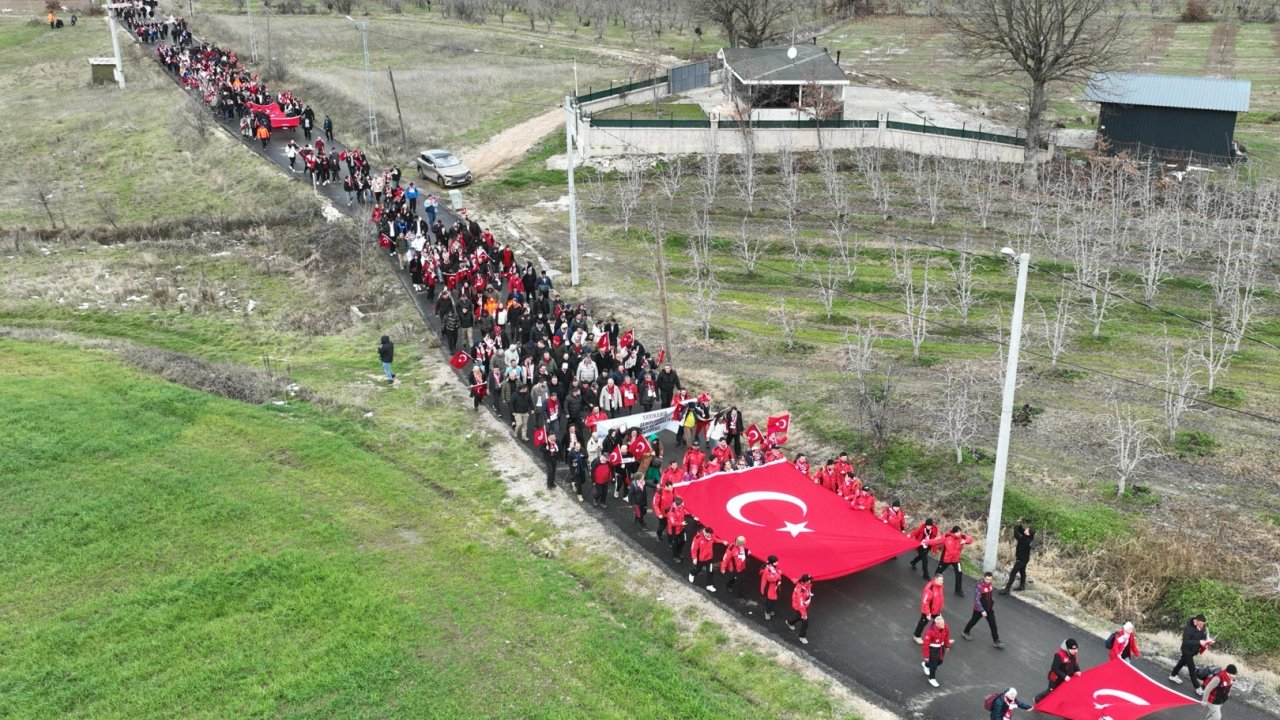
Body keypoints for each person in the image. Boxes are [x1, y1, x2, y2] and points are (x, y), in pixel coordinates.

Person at [928, 525, 974, 597]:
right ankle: (933, 585)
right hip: (946, 559)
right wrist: (926, 542)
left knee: (959, 573)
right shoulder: (947, 537)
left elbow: (970, 539)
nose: (959, 534)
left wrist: (965, 541)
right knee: (938, 572)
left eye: (960, 532)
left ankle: (958, 590)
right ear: (953, 532)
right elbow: (935, 541)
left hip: (956, 560)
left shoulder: (962, 537)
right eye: (957, 533)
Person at [1170, 614, 1214, 686]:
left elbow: (1204, 637)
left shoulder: (1202, 627)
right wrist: (1199, 642)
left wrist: (1208, 641)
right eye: (1200, 624)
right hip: (1186, 650)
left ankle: (1173, 675)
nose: (1202, 626)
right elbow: (1186, 641)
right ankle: (1197, 687)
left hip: (1194, 651)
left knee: (1181, 662)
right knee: (1192, 668)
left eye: (1203, 624)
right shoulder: (1188, 628)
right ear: (1196, 621)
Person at [1034, 639, 1081, 704]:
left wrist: (1078, 670)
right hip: (1056, 678)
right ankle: (1037, 698)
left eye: (1076, 649)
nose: (1076, 651)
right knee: (1051, 691)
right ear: (1067, 649)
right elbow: (1054, 668)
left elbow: (1075, 662)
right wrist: (1064, 676)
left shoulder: (1073, 653)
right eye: (1073, 649)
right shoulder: (1059, 655)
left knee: (1062, 692)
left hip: (1066, 678)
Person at [963, 572, 1003, 648]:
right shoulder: (979, 587)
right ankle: (965, 632)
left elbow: (990, 594)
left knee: (993, 625)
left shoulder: (991, 584)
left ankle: (996, 641)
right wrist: (982, 610)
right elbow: (976, 600)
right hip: (979, 610)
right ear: (984, 578)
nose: (988, 581)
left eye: (990, 580)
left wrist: (992, 600)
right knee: (973, 621)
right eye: (987, 579)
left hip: (989, 609)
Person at [1001, 520, 1035, 594]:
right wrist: (1020, 524)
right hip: (1025, 559)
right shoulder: (1030, 537)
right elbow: (1021, 530)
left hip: (1021, 559)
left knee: (1013, 573)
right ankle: (1022, 586)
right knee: (1022, 572)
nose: (1025, 529)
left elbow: (1016, 534)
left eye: (1027, 530)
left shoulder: (1024, 540)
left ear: (1028, 533)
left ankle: (1007, 589)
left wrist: (1016, 525)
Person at [921, 616, 952, 688]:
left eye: (943, 623)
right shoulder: (930, 632)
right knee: (934, 665)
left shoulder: (945, 626)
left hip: (940, 648)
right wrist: (926, 656)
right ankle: (931, 678)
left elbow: (947, 636)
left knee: (940, 661)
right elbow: (926, 644)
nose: (943, 625)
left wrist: (947, 646)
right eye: (941, 624)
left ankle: (926, 665)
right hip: (932, 649)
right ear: (936, 624)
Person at [914, 576, 946, 644]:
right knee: (922, 624)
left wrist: (939, 609)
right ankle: (916, 636)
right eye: (941, 580)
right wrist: (928, 613)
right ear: (936, 580)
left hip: (936, 610)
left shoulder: (940, 587)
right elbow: (925, 601)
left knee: (940, 623)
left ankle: (940, 638)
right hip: (928, 611)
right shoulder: (930, 589)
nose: (942, 582)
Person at [786, 573, 813, 645]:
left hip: (802, 606)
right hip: (800, 607)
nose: (810, 581)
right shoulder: (800, 590)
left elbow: (797, 580)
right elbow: (800, 603)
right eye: (809, 580)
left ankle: (789, 622)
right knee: (805, 622)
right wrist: (804, 614)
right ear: (805, 581)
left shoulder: (804, 585)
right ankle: (802, 636)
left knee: (798, 616)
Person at [688, 526, 717, 592]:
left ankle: (709, 585)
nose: (710, 536)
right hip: (700, 558)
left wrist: (722, 542)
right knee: (698, 569)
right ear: (705, 533)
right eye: (709, 535)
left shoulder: (711, 535)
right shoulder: (697, 538)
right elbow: (693, 549)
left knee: (710, 571)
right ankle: (692, 574)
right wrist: (694, 558)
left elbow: (715, 539)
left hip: (709, 557)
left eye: (711, 535)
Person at [719, 535, 748, 600]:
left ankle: (729, 584)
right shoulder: (731, 549)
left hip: (740, 567)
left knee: (734, 579)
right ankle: (740, 596)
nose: (743, 545)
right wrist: (722, 568)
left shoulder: (742, 546)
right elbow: (725, 559)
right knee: (739, 581)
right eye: (742, 544)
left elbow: (743, 552)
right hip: (735, 568)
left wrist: (747, 551)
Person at [666, 496, 690, 561]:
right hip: (674, 530)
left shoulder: (680, 507)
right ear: (679, 504)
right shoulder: (671, 512)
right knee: (675, 544)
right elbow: (673, 523)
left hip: (681, 528)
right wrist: (681, 523)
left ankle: (679, 551)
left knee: (683, 540)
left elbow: (684, 511)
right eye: (683, 503)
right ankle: (675, 556)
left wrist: (692, 516)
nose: (684, 504)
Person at [759, 555, 782, 620]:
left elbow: (778, 571)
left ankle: (768, 610)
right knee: (771, 600)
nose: (777, 563)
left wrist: (778, 574)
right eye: (776, 562)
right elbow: (772, 579)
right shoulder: (767, 569)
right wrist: (778, 574)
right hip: (769, 588)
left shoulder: (773, 566)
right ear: (772, 562)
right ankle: (767, 612)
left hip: (773, 587)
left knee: (770, 600)